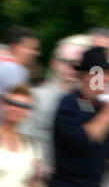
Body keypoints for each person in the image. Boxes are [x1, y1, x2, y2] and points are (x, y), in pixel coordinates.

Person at [49, 46, 109, 187]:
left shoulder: (101, 107)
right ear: (88, 76)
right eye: (104, 74)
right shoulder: (69, 103)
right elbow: (82, 141)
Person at [24, 40, 82, 171]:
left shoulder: (89, 101)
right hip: (42, 170)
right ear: (55, 63)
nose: (73, 68)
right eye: (67, 63)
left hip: (74, 173)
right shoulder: (36, 96)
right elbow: (26, 137)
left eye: (78, 64)